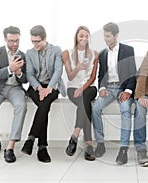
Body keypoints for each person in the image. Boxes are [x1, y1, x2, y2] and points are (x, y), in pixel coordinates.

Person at [91, 22, 137, 165]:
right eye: (104, 36)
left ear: (116, 35)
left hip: (123, 88)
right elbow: (101, 75)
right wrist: (102, 88)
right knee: (95, 108)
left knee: (125, 110)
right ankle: (100, 143)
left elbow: (132, 73)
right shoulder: (103, 53)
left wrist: (128, 91)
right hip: (109, 89)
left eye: (108, 36)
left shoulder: (128, 50)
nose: (106, 39)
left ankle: (123, 149)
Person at [21, 25, 66, 163]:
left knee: (44, 104)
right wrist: (40, 88)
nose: (35, 45)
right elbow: (29, 74)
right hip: (36, 86)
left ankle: (31, 139)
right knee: (44, 106)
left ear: (45, 38)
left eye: (38, 41)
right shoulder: (29, 53)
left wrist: (49, 88)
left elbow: (58, 71)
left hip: (52, 86)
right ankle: (42, 148)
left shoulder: (56, 50)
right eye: (33, 41)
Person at [0, 26, 27, 163]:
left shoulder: (23, 55)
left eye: (17, 40)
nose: (14, 44)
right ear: (5, 39)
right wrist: (10, 69)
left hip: (15, 88)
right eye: (11, 41)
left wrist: (19, 73)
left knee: (21, 106)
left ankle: (10, 147)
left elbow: (25, 79)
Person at [62, 26, 98, 161]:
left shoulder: (95, 53)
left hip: (89, 87)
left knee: (85, 99)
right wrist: (77, 68)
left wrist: (82, 88)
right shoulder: (67, 53)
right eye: (81, 36)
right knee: (85, 105)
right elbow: (70, 77)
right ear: (76, 37)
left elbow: (93, 77)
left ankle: (75, 136)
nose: (84, 38)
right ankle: (89, 144)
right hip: (73, 87)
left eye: (86, 36)